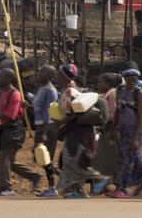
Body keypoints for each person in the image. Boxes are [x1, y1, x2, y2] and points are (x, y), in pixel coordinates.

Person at [0, 68, 41, 196]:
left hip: (14, 130)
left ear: (9, 79)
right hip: (7, 130)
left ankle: (6, 188)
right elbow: (3, 114)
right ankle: (34, 176)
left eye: (1, 77)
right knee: (9, 161)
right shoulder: (4, 93)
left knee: (3, 159)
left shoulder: (15, 94)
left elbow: (10, 116)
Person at [108, 65, 142, 198]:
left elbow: (141, 117)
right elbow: (117, 110)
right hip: (123, 128)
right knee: (134, 159)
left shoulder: (139, 94)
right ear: (125, 79)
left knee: (128, 159)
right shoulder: (120, 90)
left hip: (136, 129)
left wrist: (136, 138)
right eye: (129, 79)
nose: (131, 82)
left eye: (134, 80)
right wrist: (114, 128)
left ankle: (123, 188)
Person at [56, 64, 109, 199]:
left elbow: (70, 115)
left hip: (77, 132)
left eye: (58, 74)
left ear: (64, 76)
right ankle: (77, 190)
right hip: (82, 132)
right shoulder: (77, 90)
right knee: (72, 160)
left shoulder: (69, 92)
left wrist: (58, 123)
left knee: (73, 161)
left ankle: (100, 179)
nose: (57, 77)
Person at [31, 65, 59, 197]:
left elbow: (50, 112)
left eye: (42, 72)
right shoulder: (42, 89)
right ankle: (63, 177)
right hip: (40, 127)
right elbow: (39, 108)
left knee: (46, 158)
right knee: (39, 158)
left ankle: (52, 187)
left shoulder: (51, 91)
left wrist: (43, 132)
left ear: (49, 76)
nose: (39, 74)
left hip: (47, 129)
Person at [92, 73, 123, 176]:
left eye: (100, 82)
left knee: (112, 155)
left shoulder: (111, 95)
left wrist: (113, 129)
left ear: (108, 84)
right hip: (108, 128)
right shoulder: (106, 95)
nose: (98, 85)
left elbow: (114, 114)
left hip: (111, 128)